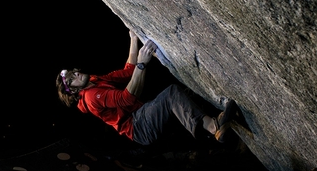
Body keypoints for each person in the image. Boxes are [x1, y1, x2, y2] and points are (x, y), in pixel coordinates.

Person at [55, 30, 237, 146]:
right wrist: (142, 65)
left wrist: (133, 39)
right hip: (139, 127)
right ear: (75, 91)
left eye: (73, 72)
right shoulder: (91, 96)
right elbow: (126, 98)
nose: (76, 75)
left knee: (184, 94)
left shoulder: (94, 80)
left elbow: (127, 72)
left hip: (141, 115)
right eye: (72, 80)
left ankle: (218, 121)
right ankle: (214, 128)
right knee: (172, 93)